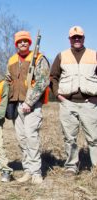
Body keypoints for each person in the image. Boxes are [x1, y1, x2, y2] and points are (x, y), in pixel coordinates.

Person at [50, 26, 97, 176]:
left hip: (90, 103)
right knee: (70, 137)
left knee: (94, 137)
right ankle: (71, 166)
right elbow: (53, 77)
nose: (77, 39)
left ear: (84, 38)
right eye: (74, 37)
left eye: (79, 37)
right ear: (69, 39)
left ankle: (95, 166)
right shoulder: (61, 56)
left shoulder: (94, 55)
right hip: (68, 103)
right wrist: (58, 95)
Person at [6, 31, 50, 184]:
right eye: (20, 41)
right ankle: (27, 171)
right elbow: (7, 80)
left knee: (31, 137)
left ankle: (36, 172)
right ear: (16, 44)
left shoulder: (39, 58)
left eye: (25, 41)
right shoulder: (11, 60)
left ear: (30, 43)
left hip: (32, 105)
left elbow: (43, 81)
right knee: (21, 139)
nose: (23, 43)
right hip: (16, 104)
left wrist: (29, 102)